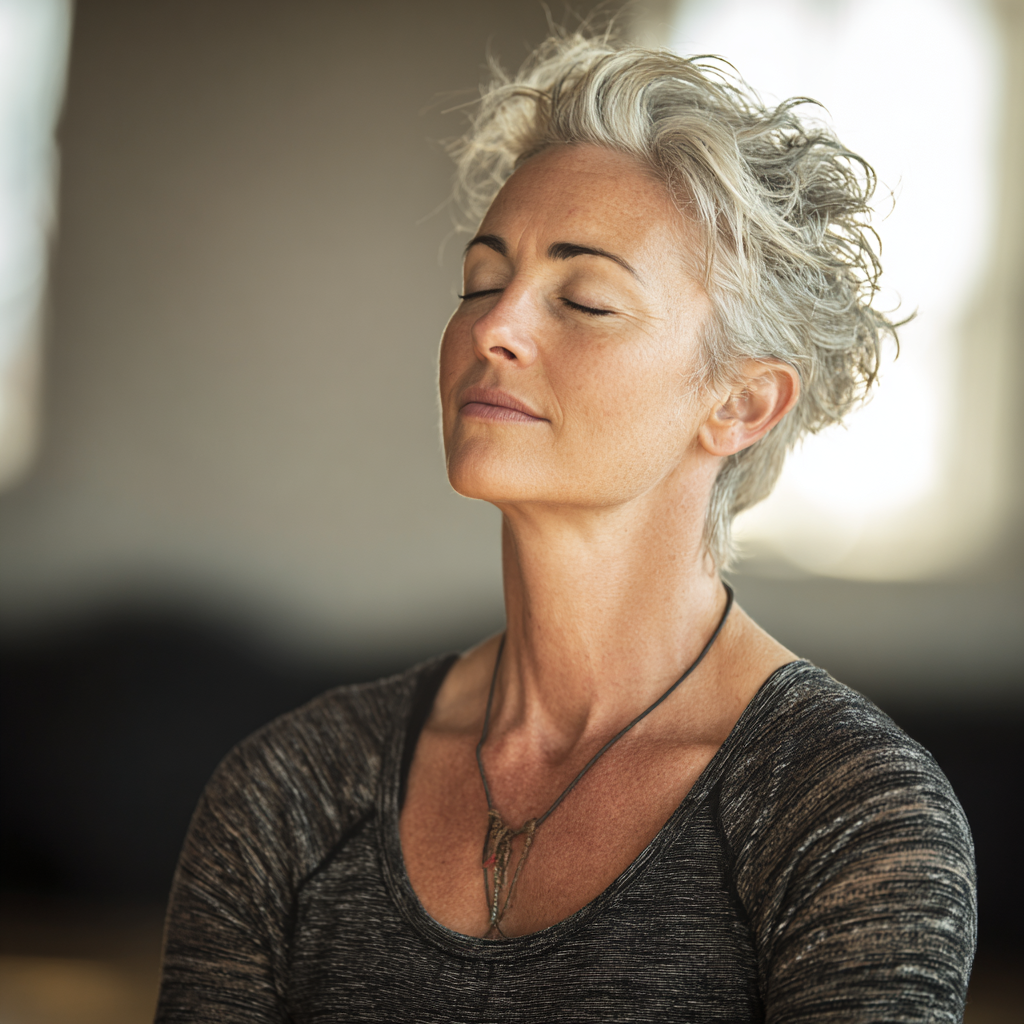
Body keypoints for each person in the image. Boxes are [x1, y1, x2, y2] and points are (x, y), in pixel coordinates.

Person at [154, 29, 976, 1023]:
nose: (494, 326)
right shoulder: (289, 792)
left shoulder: (848, 813)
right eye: (481, 280)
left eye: (583, 298)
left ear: (740, 404)